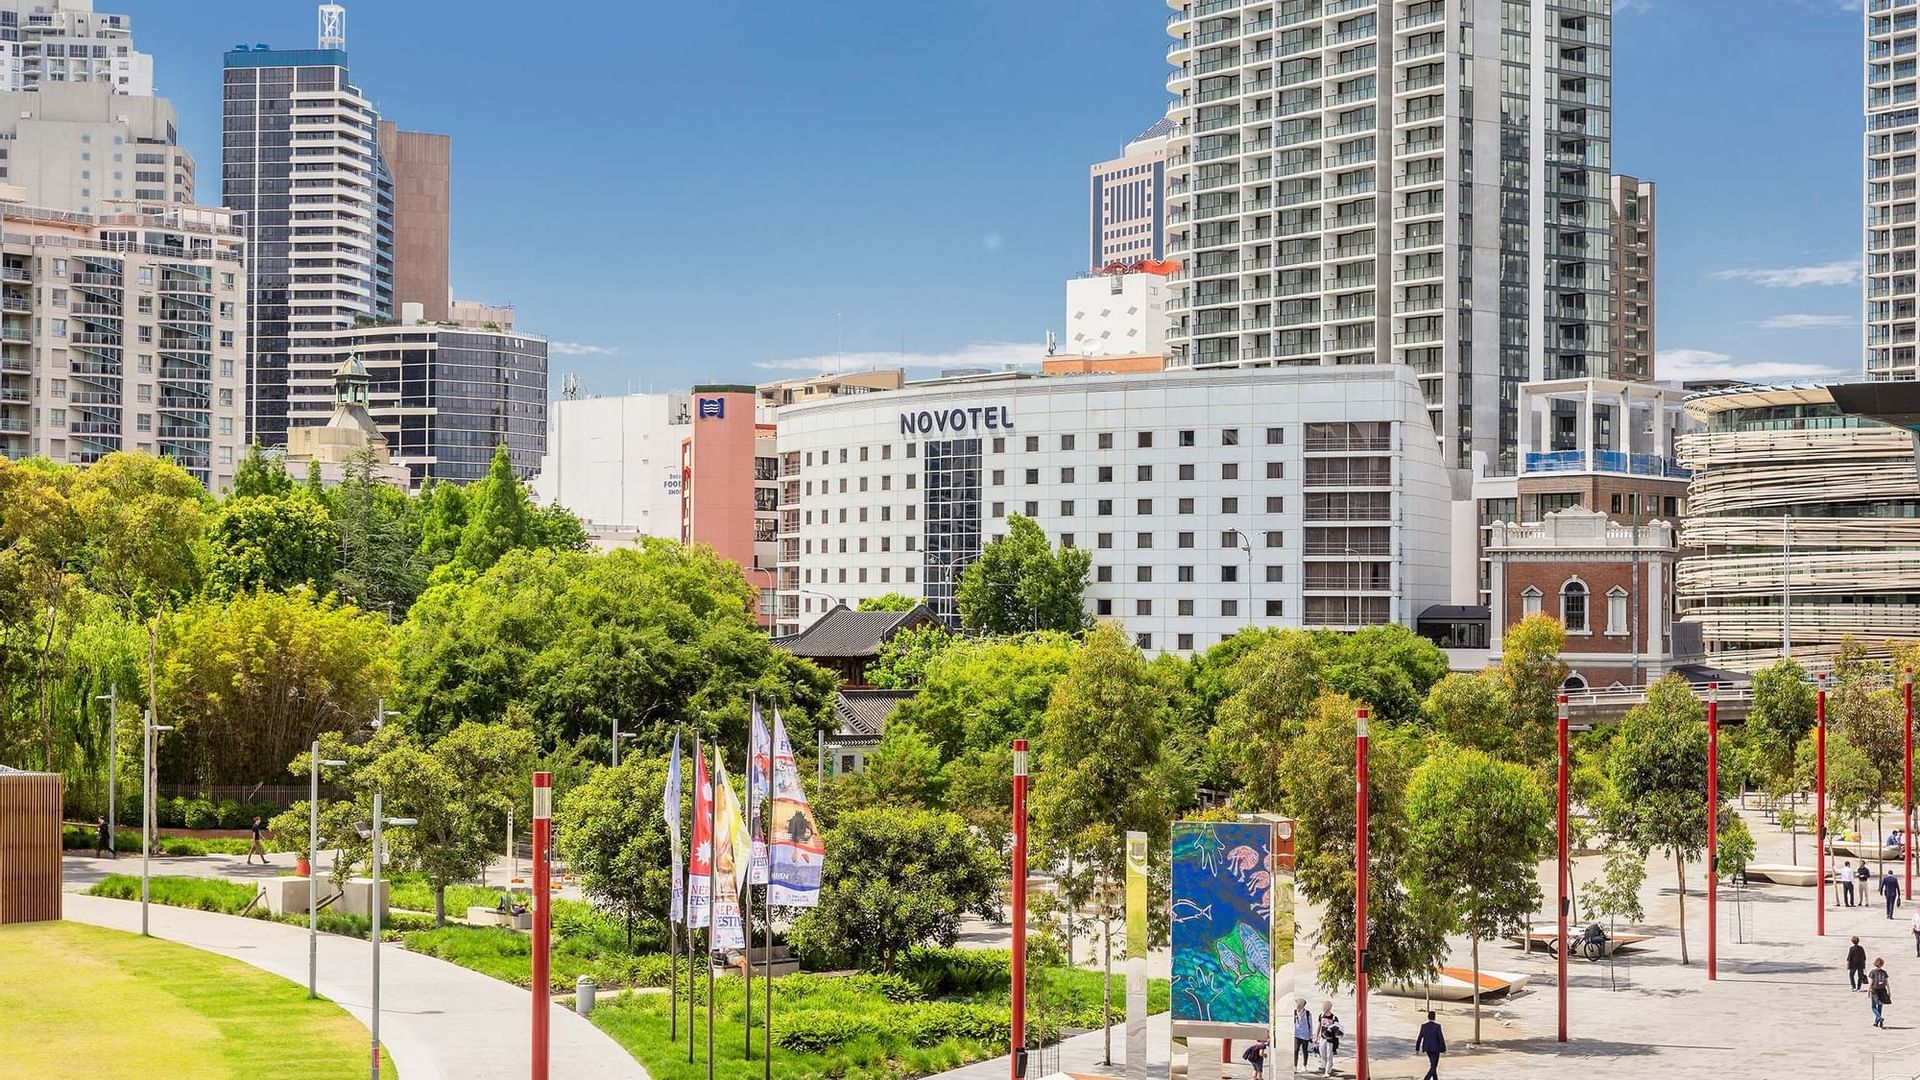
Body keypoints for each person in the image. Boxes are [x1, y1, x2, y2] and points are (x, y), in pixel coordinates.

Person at [1416, 1010, 1447, 1080]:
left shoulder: (1424, 1026)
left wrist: (1417, 1048)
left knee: (1433, 1064)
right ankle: (1426, 1078)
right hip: (1436, 1049)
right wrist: (1443, 1049)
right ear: (1435, 1017)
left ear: (1428, 1017)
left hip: (1427, 1048)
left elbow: (1420, 1037)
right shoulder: (1437, 1026)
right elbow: (1440, 1037)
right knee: (1434, 1066)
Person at [1315, 1003, 1342, 1076]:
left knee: (1329, 1054)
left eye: (1325, 1006)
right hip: (1323, 1037)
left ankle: (1327, 1071)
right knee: (1322, 1052)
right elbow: (1319, 1026)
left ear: (1329, 1007)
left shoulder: (1333, 1017)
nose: (1323, 1008)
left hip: (1330, 1039)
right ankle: (1328, 1064)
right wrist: (1316, 1037)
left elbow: (1337, 1028)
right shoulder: (1321, 1016)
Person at [1291, 1001, 1313, 1072]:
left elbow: (1310, 1025)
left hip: (1305, 1035)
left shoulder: (1307, 1013)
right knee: (1295, 1050)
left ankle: (1304, 1065)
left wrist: (1310, 1035)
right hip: (1296, 1034)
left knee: (1305, 1050)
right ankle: (1295, 1066)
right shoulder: (1294, 1012)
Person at [1870, 957, 1892, 1028]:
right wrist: (1889, 991)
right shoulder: (1884, 972)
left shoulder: (1873, 972)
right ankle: (1877, 1022)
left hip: (1874, 990)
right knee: (1880, 1006)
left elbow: (1871, 982)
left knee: (1873, 1006)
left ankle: (1879, 1018)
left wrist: (1868, 990)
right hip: (1882, 990)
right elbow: (1887, 983)